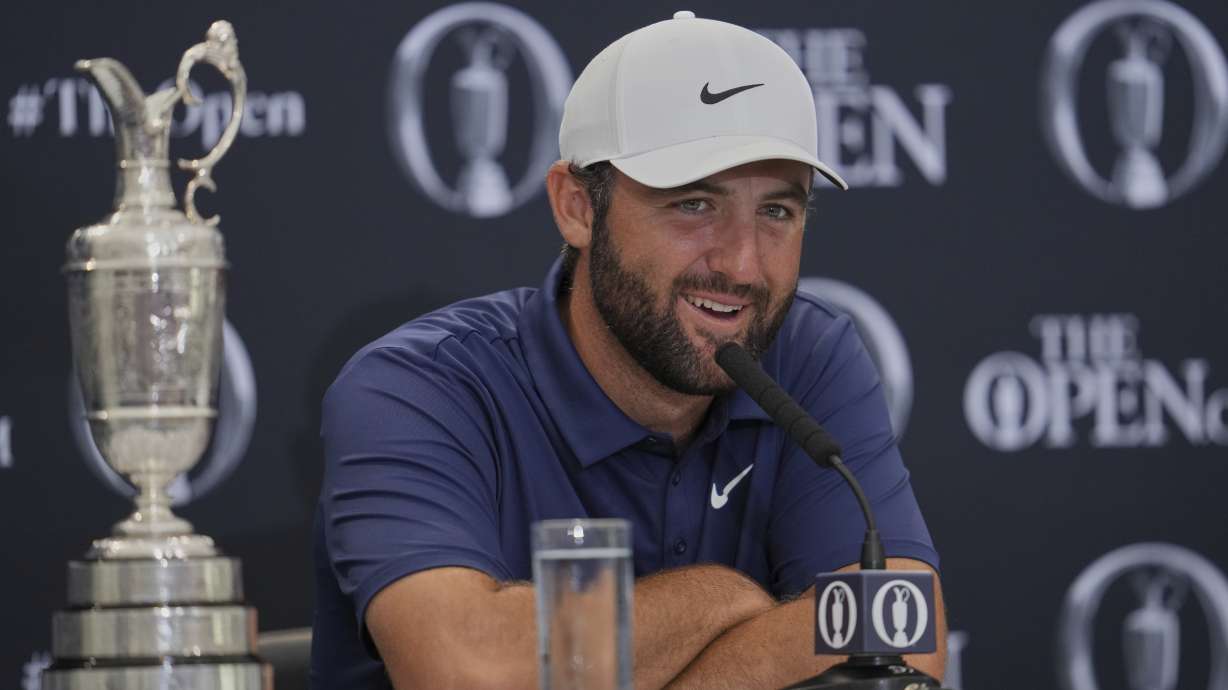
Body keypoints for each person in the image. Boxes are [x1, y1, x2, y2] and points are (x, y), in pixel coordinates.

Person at [311, 10, 945, 689]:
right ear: (578, 207)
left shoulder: (807, 356)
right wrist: (719, 599)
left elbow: (903, 640)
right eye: (694, 204)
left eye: (777, 212)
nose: (742, 266)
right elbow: (469, 673)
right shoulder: (416, 388)